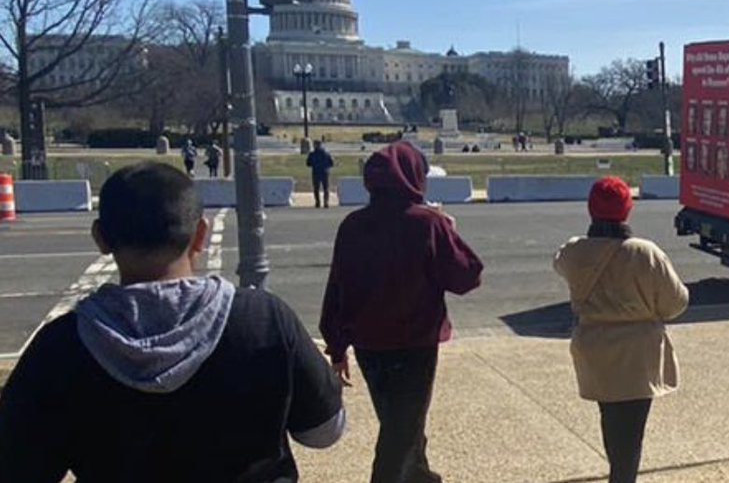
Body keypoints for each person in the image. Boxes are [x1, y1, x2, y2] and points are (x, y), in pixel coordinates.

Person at [0, 162, 344, 481]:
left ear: (101, 238)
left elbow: (19, 465)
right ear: (200, 235)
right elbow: (323, 432)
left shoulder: (60, 347)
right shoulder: (264, 319)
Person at [320, 141, 483, 483]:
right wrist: (448, 228)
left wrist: (337, 346)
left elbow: (337, 288)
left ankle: (421, 476)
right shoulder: (426, 224)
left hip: (368, 344)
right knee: (400, 431)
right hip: (414, 344)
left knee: (400, 422)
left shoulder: (352, 224)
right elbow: (467, 276)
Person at [554, 177, 689, 483]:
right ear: (627, 210)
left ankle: (620, 474)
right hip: (638, 355)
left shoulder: (575, 252)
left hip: (596, 350)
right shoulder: (645, 252)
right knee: (632, 431)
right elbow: (677, 302)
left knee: (611, 421)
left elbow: (560, 262)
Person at [306, 140, 335, 208]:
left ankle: (318, 202)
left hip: (316, 172)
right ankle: (326, 202)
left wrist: (314, 164)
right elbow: (331, 163)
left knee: (316, 188)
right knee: (326, 188)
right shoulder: (326, 153)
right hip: (325, 172)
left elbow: (308, 163)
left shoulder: (312, 154)